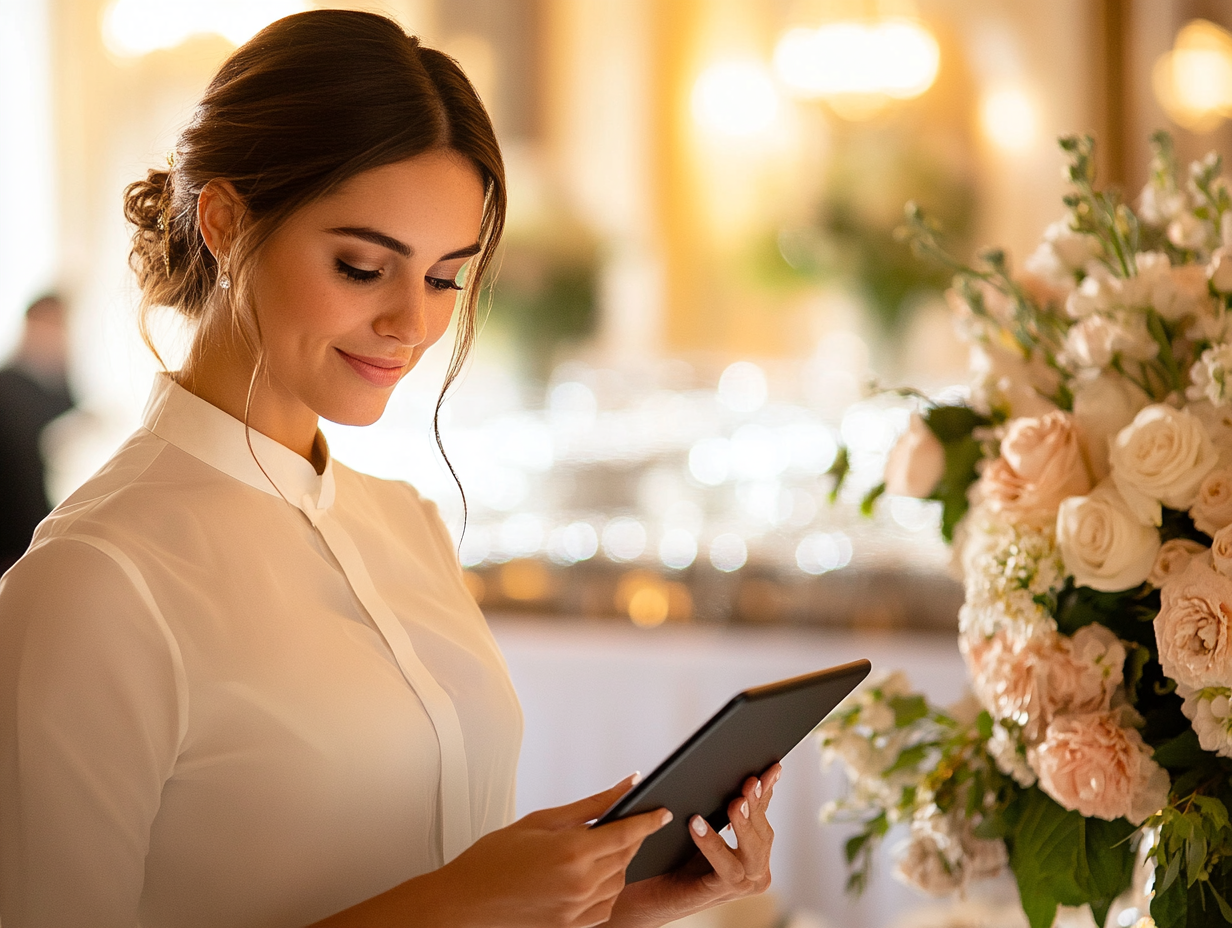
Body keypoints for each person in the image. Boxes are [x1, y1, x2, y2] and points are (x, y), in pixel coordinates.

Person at [0, 11, 778, 928]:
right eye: (364, 267)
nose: (412, 323)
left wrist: (614, 906)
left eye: (446, 278)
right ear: (222, 220)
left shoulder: (406, 523)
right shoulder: (97, 582)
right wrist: (456, 903)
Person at [0, 294, 75, 572]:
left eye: (61, 328)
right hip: (15, 536)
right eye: (50, 326)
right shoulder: (7, 387)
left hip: (42, 526)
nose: (56, 337)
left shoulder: (57, 387)